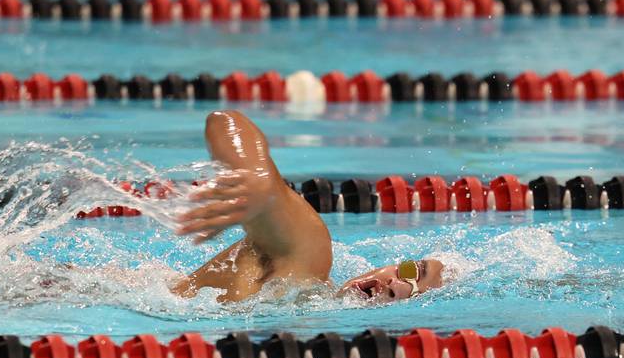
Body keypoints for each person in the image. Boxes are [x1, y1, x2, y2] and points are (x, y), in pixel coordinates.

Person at [171, 110, 445, 303]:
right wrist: (255, 177)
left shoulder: (307, 306)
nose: (397, 287)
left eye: (412, 295)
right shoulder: (308, 258)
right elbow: (225, 121)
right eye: (411, 272)